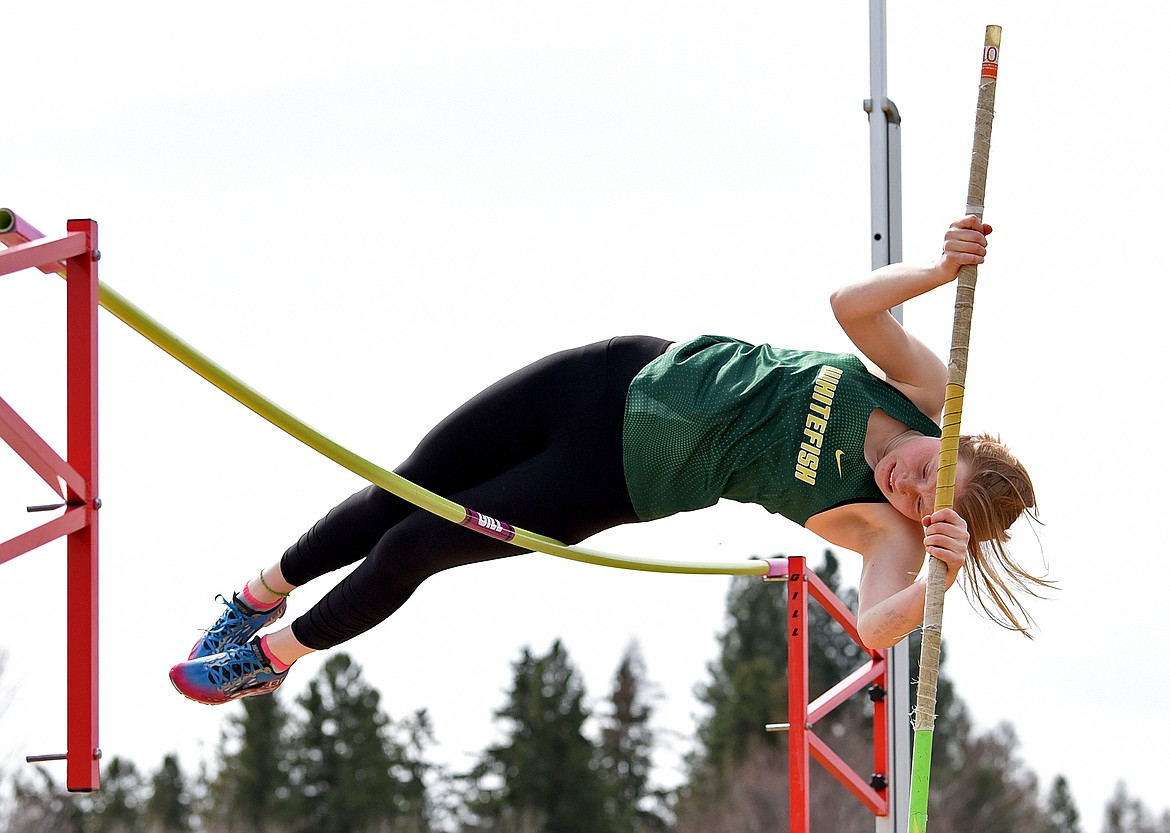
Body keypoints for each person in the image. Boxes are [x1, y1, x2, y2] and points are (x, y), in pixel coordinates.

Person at [169, 215, 1046, 705]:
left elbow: (873, 627)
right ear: (954, 433)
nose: (909, 482)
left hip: (611, 479)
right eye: (932, 468)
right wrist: (937, 269)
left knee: (411, 546)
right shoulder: (924, 388)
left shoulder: (883, 526)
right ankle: (253, 599)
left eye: (927, 499)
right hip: (615, 372)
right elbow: (850, 306)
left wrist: (935, 581)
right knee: (395, 492)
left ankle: (274, 656)